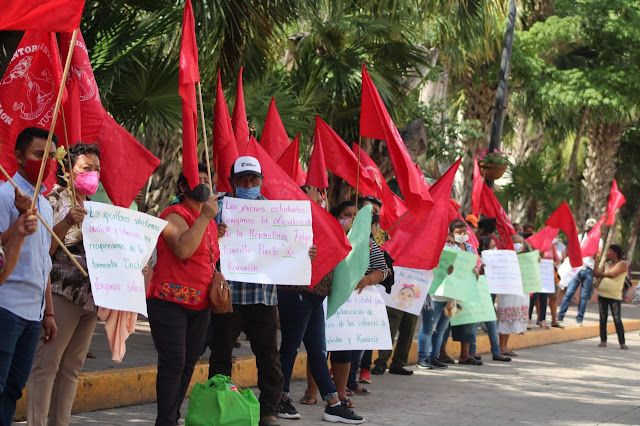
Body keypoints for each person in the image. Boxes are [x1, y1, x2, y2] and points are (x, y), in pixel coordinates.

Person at [210, 156, 317, 426]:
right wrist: (214, 232)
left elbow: (289, 247)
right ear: (232, 180)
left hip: (263, 296)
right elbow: (203, 243)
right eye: (242, 179)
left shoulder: (275, 213)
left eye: (253, 179)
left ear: (261, 181)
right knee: (222, 355)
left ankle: (268, 411)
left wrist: (305, 253)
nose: (248, 183)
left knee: (269, 357)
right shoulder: (218, 208)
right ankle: (218, 406)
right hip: (228, 296)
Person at [27, 143, 101, 426]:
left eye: (96, 169)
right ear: (68, 171)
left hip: (90, 299)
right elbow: (42, 247)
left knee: (72, 368)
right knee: (47, 365)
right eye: (86, 168)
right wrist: (68, 221)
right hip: (60, 293)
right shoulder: (53, 201)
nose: (92, 174)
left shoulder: (97, 208)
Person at [277, 187, 364, 424]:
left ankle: (333, 404)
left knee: (318, 351)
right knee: (290, 348)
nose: (319, 197)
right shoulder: (291, 220)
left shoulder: (325, 223)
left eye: (321, 194)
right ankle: (280, 398)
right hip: (296, 291)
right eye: (313, 193)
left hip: (317, 294)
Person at [146, 164, 220, 426]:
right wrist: (203, 219)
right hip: (169, 302)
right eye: (195, 180)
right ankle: (165, 421)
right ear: (182, 187)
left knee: (188, 363)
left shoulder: (209, 220)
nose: (202, 184)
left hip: (200, 305)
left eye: (205, 179)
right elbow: (183, 250)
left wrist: (208, 222)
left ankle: (171, 416)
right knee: (174, 361)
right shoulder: (173, 213)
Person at [0, 127, 57, 424]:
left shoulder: (45, 205)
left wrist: (48, 312)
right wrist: (20, 224)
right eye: (38, 155)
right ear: (20, 157)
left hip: (33, 316)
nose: (46, 163)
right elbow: (0, 243)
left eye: (50, 157)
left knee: (13, 389)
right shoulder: (5, 194)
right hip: (6, 306)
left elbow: (42, 262)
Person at [328, 200, 387, 408]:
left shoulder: (368, 242)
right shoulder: (329, 236)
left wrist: (366, 280)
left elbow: (383, 270)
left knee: (345, 349)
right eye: (347, 214)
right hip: (327, 299)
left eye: (356, 216)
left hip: (353, 308)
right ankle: (312, 390)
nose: (351, 220)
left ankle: (341, 391)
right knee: (319, 348)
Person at [417, 234, 455, 370]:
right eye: (447, 241)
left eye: (452, 242)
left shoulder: (456, 260)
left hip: (449, 299)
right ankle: (422, 357)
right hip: (433, 298)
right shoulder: (432, 255)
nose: (450, 244)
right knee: (427, 328)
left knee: (441, 331)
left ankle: (434, 357)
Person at [447, 219, 482, 365]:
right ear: (451, 233)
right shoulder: (448, 246)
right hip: (450, 288)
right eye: (458, 232)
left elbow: (473, 265)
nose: (462, 234)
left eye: (464, 231)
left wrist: (475, 270)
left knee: (469, 321)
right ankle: (441, 353)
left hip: (466, 288)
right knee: (446, 322)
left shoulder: (469, 247)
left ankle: (464, 355)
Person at [472, 237, 511, 362]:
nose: (495, 248)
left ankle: (496, 352)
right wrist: (482, 269)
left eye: (495, 246)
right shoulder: (477, 259)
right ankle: (471, 352)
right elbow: (477, 276)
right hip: (479, 297)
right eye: (492, 246)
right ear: (484, 248)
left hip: (490, 298)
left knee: (493, 326)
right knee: (474, 326)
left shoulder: (496, 260)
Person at [557, 218, 601, 325]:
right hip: (577, 269)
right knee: (569, 292)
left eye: (592, 226)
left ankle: (579, 318)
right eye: (589, 226)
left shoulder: (598, 240)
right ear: (585, 227)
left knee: (584, 296)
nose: (590, 228)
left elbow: (597, 255)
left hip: (588, 271)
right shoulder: (580, 237)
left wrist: (595, 255)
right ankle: (560, 316)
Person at [496, 234, 530, 356]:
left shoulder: (526, 259)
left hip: (519, 292)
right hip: (508, 291)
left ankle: (505, 346)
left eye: (521, 241)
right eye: (516, 241)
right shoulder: (505, 257)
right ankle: (501, 346)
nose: (519, 244)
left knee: (511, 319)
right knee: (505, 318)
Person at [594, 245, 628, 349]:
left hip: (614, 297)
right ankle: (603, 341)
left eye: (610, 251)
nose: (609, 253)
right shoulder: (606, 264)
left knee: (617, 319)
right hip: (602, 295)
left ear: (616, 253)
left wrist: (602, 273)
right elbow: (596, 274)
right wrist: (595, 262)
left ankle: (622, 342)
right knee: (603, 318)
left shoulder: (623, 264)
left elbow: (613, 274)